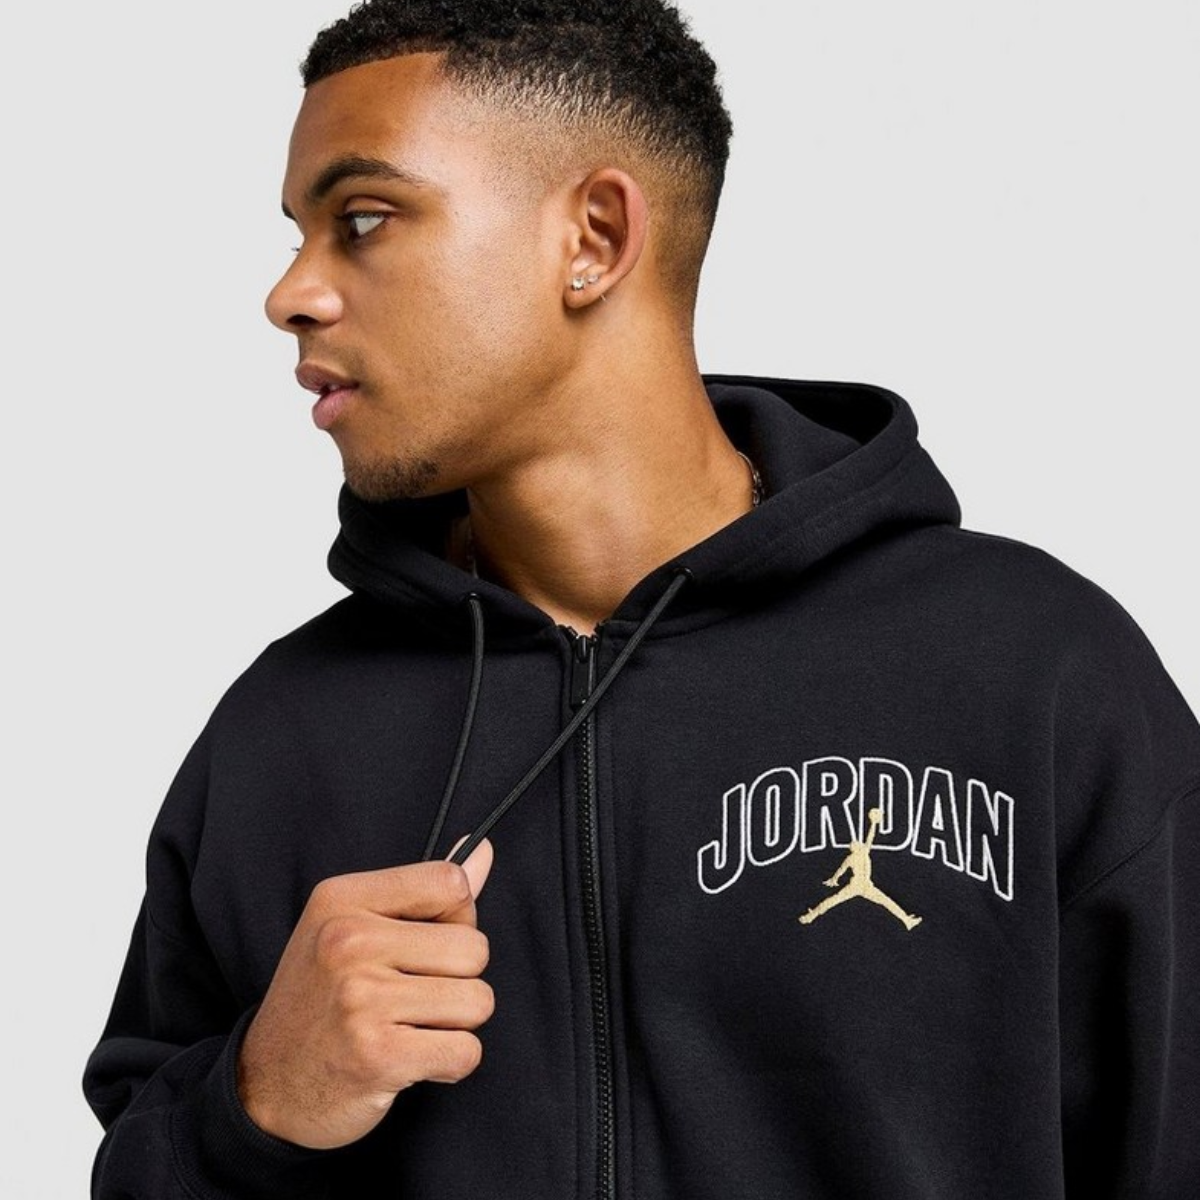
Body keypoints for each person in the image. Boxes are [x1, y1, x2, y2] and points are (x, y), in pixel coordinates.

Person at [82, 1, 1200, 1196]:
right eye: (300, 235)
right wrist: (255, 1104)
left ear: (596, 237)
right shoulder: (279, 738)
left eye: (362, 220)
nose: (291, 293)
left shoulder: (1031, 673)